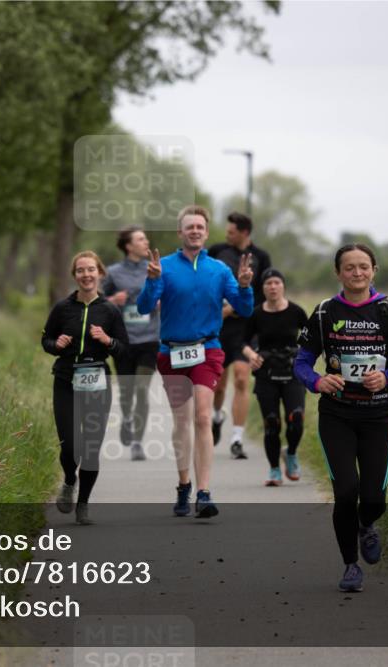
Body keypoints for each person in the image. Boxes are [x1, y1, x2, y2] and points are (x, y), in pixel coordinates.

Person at [294, 243, 388, 592]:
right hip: (337, 416)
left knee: (375, 496)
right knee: (346, 491)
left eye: (363, 266)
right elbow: (301, 362)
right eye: (349, 267)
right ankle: (350, 565)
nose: (357, 273)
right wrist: (318, 381)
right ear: (338, 273)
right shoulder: (323, 313)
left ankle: (367, 525)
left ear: (374, 270)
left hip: (380, 416)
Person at [137, 205, 254, 518]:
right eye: (189, 227)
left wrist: (244, 286)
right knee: (182, 421)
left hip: (207, 349)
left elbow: (244, 309)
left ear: (205, 231)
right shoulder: (164, 267)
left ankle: (204, 492)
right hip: (172, 353)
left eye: (200, 227)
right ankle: (183, 484)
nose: (195, 231)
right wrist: (151, 281)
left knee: (203, 416)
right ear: (180, 232)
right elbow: (145, 307)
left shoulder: (219, 270)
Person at [41, 251, 129, 525]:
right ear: (75, 276)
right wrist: (56, 346)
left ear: (100, 273)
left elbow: (123, 350)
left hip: (97, 382)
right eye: (81, 270)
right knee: (69, 446)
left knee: (91, 447)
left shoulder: (110, 311)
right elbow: (46, 339)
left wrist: (107, 340)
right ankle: (69, 480)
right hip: (66, 380)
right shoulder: (62, 308)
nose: (86, 275)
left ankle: (83, 504)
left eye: (91, 269)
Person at [208, 212, 272, 460]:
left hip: (247, 329)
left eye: (231, 231)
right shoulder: (216, 251)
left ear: (245, 232)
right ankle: (216, 416)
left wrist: (233, 307)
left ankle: (236, 438)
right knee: (219, 384)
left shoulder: (261, 257)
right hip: (220, 329)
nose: (227, 235)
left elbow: (265, 291)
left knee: (243, 380)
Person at [241, 269, 308, 486]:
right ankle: (274, 470)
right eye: (268, 283)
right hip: (266, 374)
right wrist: (252, 355)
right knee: (271, 423)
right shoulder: (256, 314)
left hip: (293, 372)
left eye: (276, 282)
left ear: (283, 286)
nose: (272, 286)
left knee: (296, 418)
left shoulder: (297, 312)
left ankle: (291, 453)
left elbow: (311, 340)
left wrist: (306, 360)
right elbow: (241, 341)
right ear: (263, 288)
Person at [102, 226, 160, 462]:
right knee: (126, 391)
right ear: (128, 246)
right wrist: (112, 300)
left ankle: (137, 442)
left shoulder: (155, 270)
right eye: (140, 238)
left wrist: (160, 302)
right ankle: (127, 419)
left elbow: (169, 295)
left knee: (141, 389)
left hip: (149, 338)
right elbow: (99, 301)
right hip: (123, 339)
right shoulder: (113, 273)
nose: (146, 241)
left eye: (146, 237)